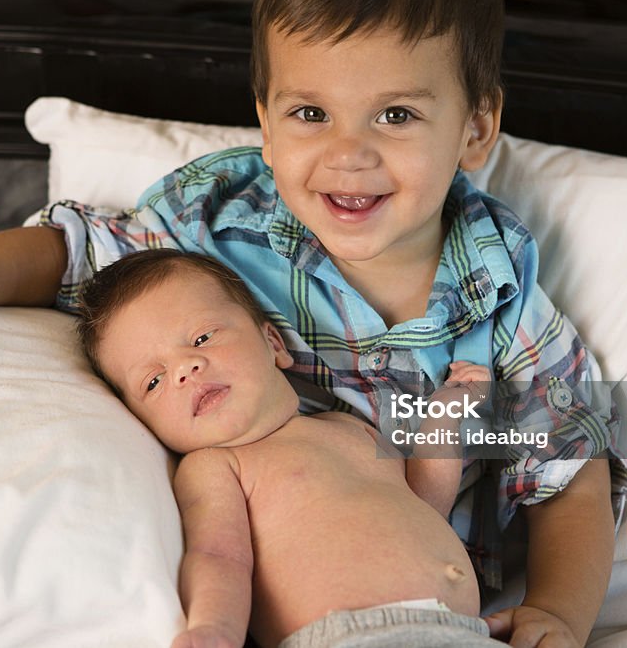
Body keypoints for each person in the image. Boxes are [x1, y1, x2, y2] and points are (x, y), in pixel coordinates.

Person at [0, 0, 627, 645]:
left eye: (397, 113)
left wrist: (558, 612)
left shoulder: (499, 283)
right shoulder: (224, 224)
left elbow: (567, 465)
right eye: (310, 113)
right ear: (266, 123)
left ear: (476, 128)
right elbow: (79, 251)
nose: (348, 153)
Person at [80, 248, 500, 648]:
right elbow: (219, 556)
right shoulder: (217, 466)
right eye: (153, 381)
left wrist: (445, 411)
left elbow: (426, 505)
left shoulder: (346, 426)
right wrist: (214, 628)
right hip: (351, 635)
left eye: (202, 337)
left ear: (274, 344)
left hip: (465, 631)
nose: (185, 370)